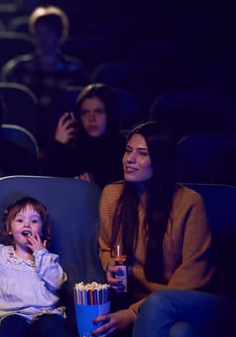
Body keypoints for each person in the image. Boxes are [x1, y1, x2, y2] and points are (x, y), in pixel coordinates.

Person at [93, 121, 221, 336]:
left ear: (161, 162)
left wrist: (134, 313)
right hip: (147, 305)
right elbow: (105, 247)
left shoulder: (190, 203)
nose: (130, 159)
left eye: (142, 153)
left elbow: (193, 278)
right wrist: (110, 265)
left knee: (159, 304)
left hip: (193, 299)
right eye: (128, 151)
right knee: (181, 332)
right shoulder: (112, 195)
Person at [0, 196, 69, 337]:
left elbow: (58, 282)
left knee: (54, 325)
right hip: (11, 316)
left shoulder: (49, 259)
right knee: (12, 326)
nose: (27, 224)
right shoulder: (0, 254)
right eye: (20, 220)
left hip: (45, 314)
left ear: (42, 230)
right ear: (9, 228)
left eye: (34, 221)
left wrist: (40, 253)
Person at [3, 6, 88, 147]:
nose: (43, 39)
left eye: (48, 33)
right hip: (29, 135)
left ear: (60, 35)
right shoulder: (19, 68)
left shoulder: (76, 69)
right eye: (39, 33)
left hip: (66, 138)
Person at [43, 83, 125, 188]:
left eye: (98, 111)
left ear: (110, 114)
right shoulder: (71, 148)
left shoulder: (124, 150)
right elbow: (46, 187)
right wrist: (58, 145)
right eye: (85, 112)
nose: (91, 118)